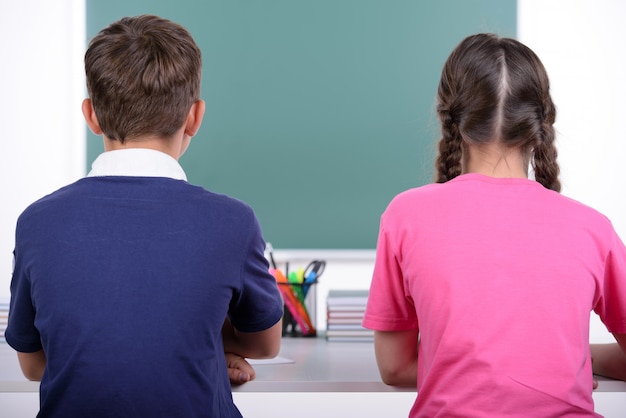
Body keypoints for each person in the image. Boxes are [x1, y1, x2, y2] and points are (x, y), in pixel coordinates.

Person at [5, 14, 283, 418]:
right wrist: (196, 348)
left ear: (91, 115)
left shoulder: (37, 222)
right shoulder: (233, 222)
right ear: (195, 116)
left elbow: (33, 364)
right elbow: (265, 345)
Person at [362, 33, 626, 417]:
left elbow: (396, 367)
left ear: (449, 117)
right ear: (541, 119)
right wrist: (566, 362)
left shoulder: (405, 215)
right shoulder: (592, 227)